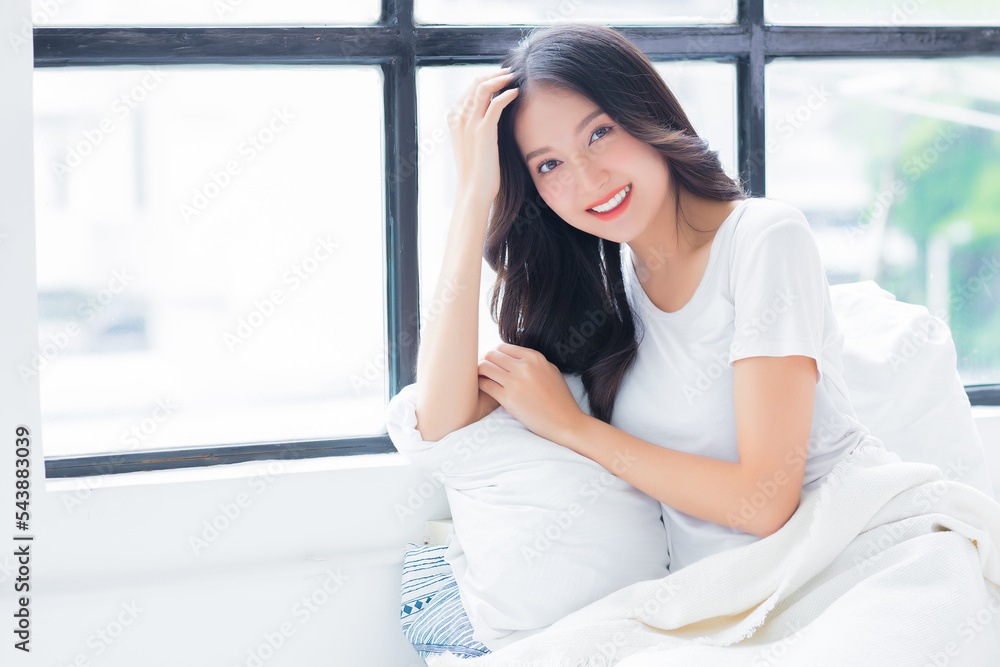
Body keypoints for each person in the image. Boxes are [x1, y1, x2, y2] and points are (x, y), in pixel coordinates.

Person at [415, 21, 881, 580]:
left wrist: (575, 427)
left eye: (599, 133)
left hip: (845, 562)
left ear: (647, 113)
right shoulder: (600, 304)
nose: (588, 178)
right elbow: (442, 426)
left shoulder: (762, 238)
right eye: (549, 164)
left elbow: (765, 501)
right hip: (723, 600)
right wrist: (473, 200)